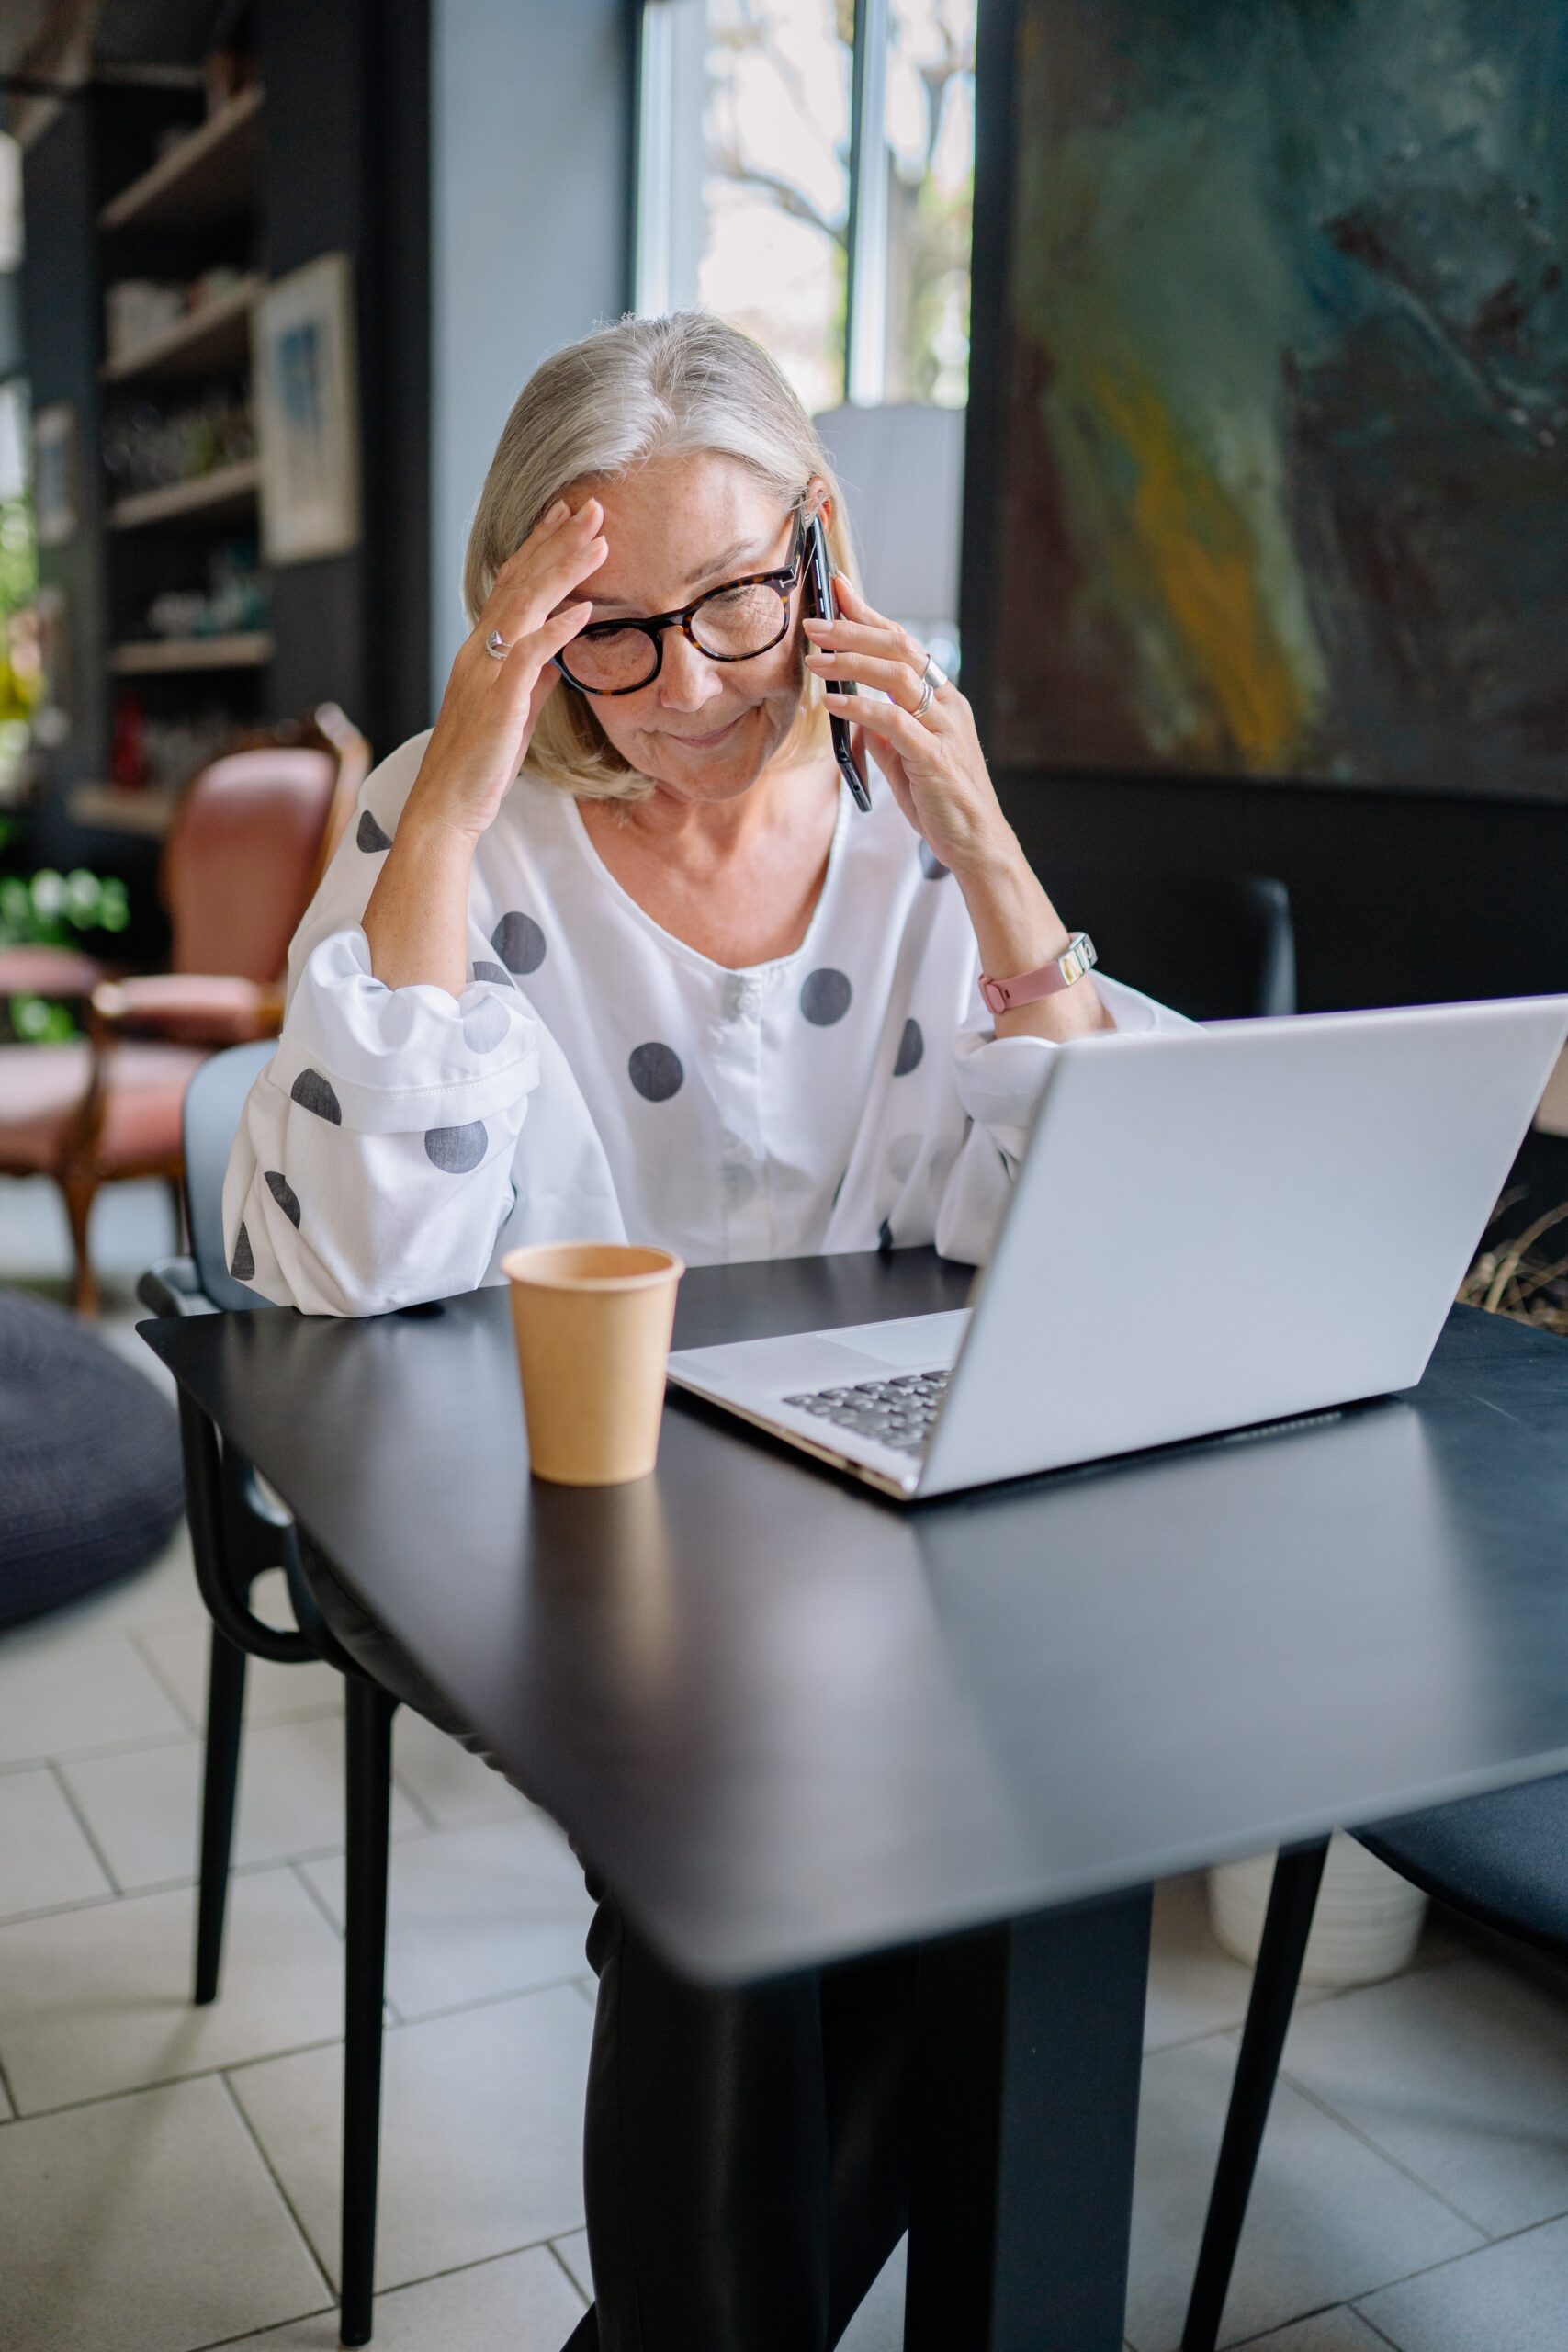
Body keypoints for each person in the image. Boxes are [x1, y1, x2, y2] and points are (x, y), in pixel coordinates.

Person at [223, 310, 1184, 2351]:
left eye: (739, 602)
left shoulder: (904, 815)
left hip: (842, 1507)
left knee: (1020, 1828)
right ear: (522, 619)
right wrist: (457, 802)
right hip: (498, 1505)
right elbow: (346, 1264)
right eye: (610, 630)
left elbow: (1066, 1227)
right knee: (734, 1820)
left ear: (818, 549)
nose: (689, 688)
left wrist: (989, 851)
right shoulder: (446, 815)